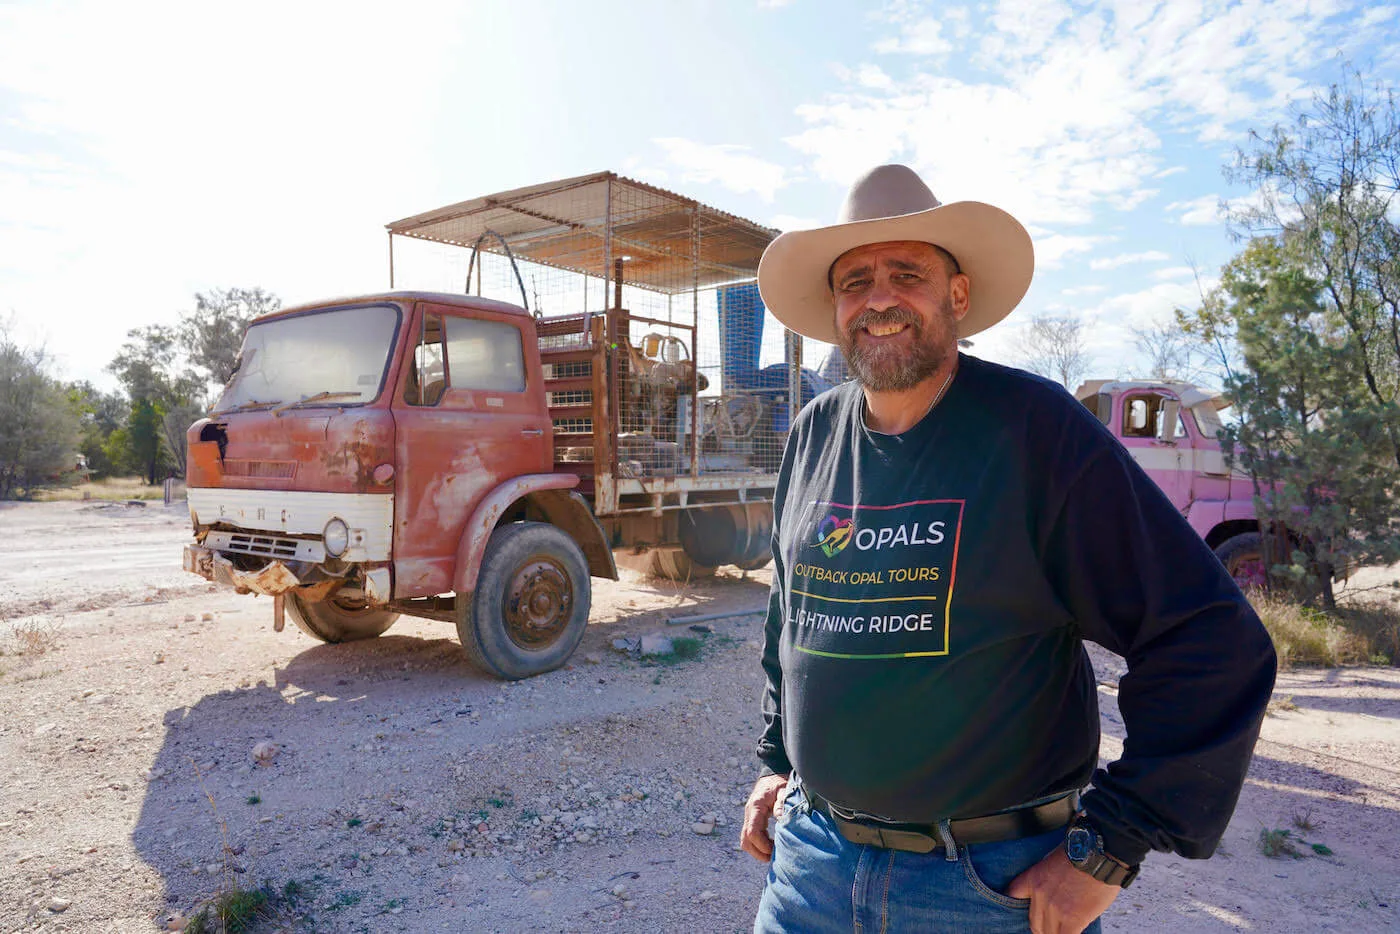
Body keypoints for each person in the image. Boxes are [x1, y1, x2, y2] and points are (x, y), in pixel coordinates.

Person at [739, 164, 1277, 934]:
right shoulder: (813, 436)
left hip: (984, 889)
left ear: (958, 295)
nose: (879, 298)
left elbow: (1210, 639)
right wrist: (776, 762)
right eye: (855, 280)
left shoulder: (1034, 430)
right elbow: (790, 615)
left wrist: (1110, 847)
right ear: (834, 307)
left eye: (906, 274)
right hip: (811, 871)